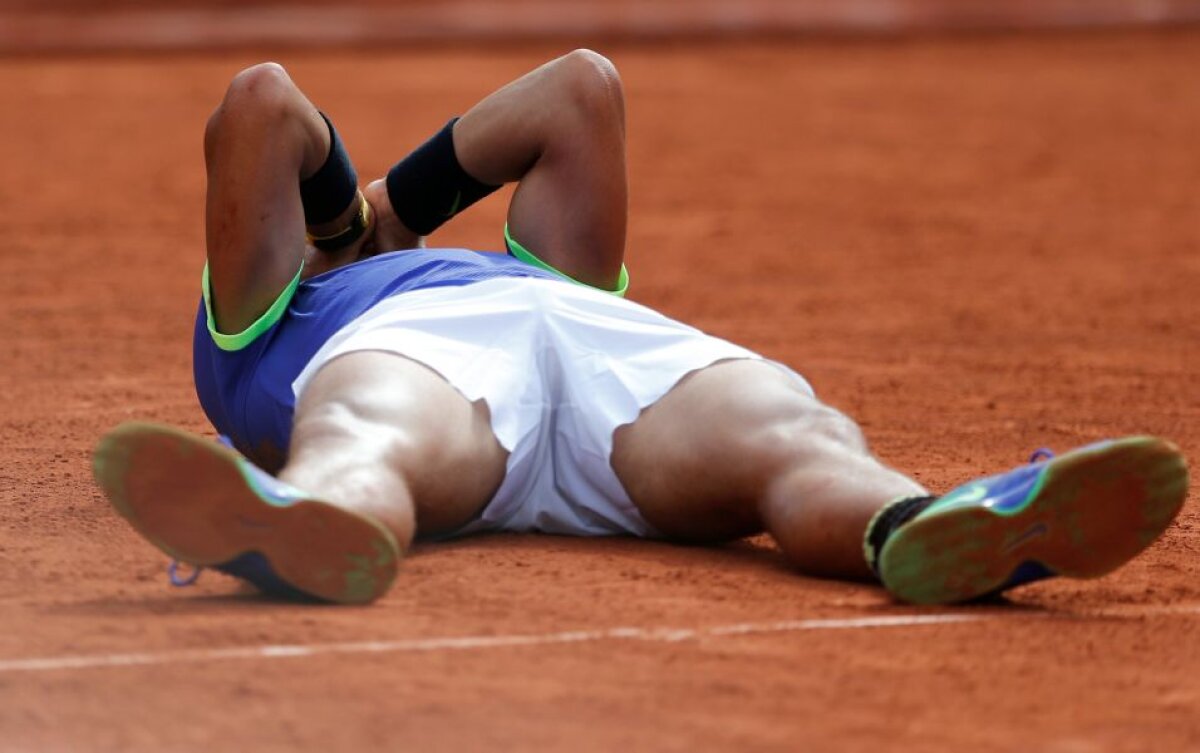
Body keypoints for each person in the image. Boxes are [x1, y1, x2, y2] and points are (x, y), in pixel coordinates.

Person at [93, 51, 1189, 606]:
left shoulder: (533, 267)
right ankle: (309, 523)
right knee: (366, 433)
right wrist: (348, 230)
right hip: (430, 370)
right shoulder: (259, 324)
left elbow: (580, 90)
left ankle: (920, 528)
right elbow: (263, 102)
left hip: (601, 353)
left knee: (791, 434)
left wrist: (394, 212)